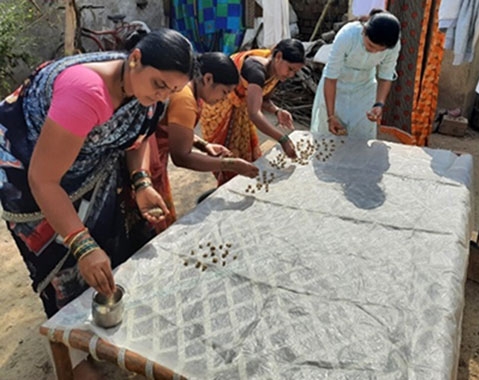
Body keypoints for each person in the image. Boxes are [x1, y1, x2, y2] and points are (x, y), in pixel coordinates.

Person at [0, 28, 194, 321]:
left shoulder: (145, 90)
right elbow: (43, 180)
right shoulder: (87, 94)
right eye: (159, 84)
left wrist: (141, 181)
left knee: (107, 247)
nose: (162, 95)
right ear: (135, 59)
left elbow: (136, 136)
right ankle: (73, 354)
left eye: (172, 91)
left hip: (90, 172)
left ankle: (100, 322)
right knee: (63, 268)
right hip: (33, 176)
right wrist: (81, 243)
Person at [148, 52, 259, 231]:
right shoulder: (185, 100)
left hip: (155, 160)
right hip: (146, 161)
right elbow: (181, 157)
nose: (224, 98)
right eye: (224, 92)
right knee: (149, 219)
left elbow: (177, 130)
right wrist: (229, 164)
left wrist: (204, 145)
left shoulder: (191, 92)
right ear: (208, 79)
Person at [200, 38, 305, 185]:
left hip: (241, 110)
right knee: (226, 157)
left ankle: (238, 187)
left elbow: (263, 100)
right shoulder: (256, 71)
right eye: (290, 69)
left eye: (295, 71)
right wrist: (283, 139)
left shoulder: (275, 72)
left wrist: (277, 111)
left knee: (245, 159)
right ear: (279, 57)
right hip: (221, 106)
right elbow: (254, 114)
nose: (291, 75)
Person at [310, 9, 401, 139]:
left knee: (361, 137)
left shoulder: (393, 45)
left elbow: (386, 76)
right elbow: (331, 77)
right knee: (328, 137)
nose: (373, 52)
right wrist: (331, 116)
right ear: (364, 31)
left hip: (365, 88)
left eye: (379, 50)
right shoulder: (347, 35)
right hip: (335, 86)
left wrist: (379, 104)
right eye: (370, 45)